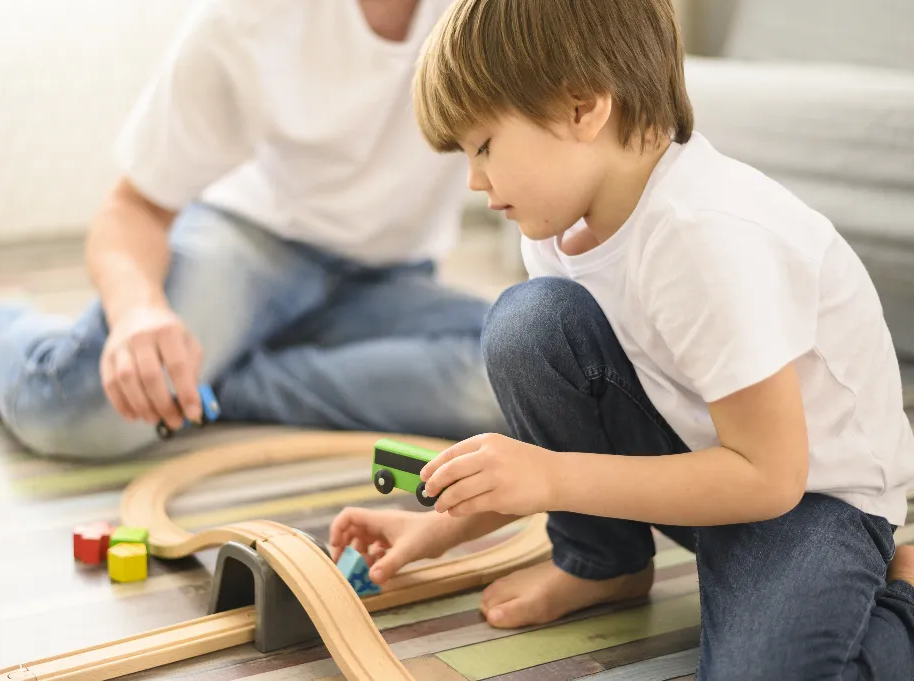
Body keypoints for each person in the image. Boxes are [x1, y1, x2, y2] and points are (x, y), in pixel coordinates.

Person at [329, 0, 914, 678]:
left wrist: (548, 476)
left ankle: (903, 595)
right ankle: (604, 563)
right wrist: (439, 529)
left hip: (814, 500)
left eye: (484, 145)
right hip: (706, 462)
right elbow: (559, 444)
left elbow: (771, 478)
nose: (475, 180)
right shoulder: (559, 229)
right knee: (529, 321)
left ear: (583, 107)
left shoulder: (703, 237)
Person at [0, 0, 510, 459]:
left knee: (524, 384)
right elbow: (131, 209)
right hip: (252, 242)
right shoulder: (243, 21)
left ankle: (214, 381)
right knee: (79, 415)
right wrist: (138, 315)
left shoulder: (500, 18)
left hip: (390, 278)